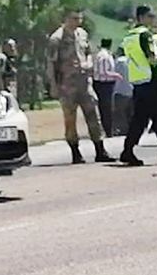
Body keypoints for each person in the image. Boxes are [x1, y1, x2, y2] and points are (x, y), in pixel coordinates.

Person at [47, 10, 115, 164]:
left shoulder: (82, 34)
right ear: (65, 19)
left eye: (79, 18)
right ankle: (75, 152)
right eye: (73, 18)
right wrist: (53, 85)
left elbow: (89, 52)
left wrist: (89, 62)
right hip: (67, 85)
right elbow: (51, 63)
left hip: (84, 83)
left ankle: (100, 150)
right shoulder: (56, 39)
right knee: (70, 120)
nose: (77, 21)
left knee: (94, 115)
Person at [120, 5, 157, 165]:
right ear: (141, 17)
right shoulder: (145, 35)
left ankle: (128, 150)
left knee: (140, 119)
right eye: (150, 16)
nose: (153, 19)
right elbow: (151, 58)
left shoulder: (130, 36)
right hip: (152, 81)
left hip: (139, 82)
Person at [92, 38, 122, 136]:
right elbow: (103, 72)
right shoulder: (104, 56)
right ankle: (108, 130)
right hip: (103, 85)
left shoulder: (101, 54)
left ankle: (108, 129)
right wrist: (115, 75)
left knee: (106, 108)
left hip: (105, 84)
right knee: (106, 108)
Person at [112, 46, 133, 136]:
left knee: (120, 112)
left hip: (120, 89)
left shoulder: (118, 62)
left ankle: (123, 129)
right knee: (130, 111)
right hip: (131, 88)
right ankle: (130, 129)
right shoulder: (131, 61)